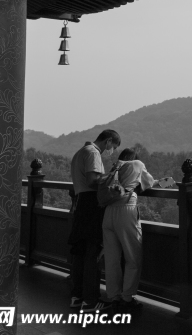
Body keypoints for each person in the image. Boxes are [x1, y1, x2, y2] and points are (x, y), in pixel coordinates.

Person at [68, 129, 120, 311]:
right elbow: (92, 180)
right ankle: (90, 301)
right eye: (112, 146)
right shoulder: (93, 153)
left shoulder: (80, 152)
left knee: (80, 252)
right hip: (91, 204)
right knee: (93, 253)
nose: (110, 150)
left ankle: (77, 296)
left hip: (81, 202)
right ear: (108, 141)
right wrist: (111, 178)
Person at [102, 148, 158, 312]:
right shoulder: (137, 164)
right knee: (133, 257)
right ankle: (127, 298)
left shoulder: (116, 167)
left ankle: (114, 297)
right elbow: (150, 182)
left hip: (108, 212)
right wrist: (170, 182)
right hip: (126, 210)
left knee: (112, 259)